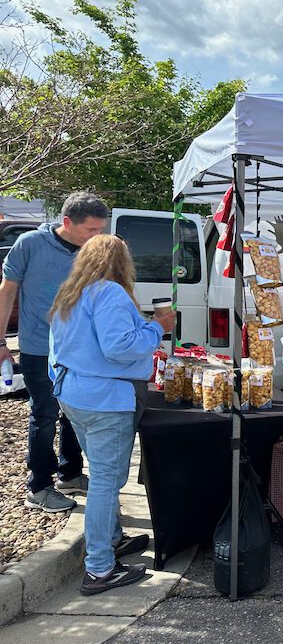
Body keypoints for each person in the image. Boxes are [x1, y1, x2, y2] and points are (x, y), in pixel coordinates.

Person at [49, 234, 175, 595]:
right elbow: (119, 347)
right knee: (106, 481)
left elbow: (61, 347)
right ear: (122, 263)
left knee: (100, 474)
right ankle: (100, 568)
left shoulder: (70, 294)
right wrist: (157, 327)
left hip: (74, 394)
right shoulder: (111, 293)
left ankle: (112, 539)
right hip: (106, 399)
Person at [0, 193, 108, 513]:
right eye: (91, 230)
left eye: (101, 230)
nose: (97, 237)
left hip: (80, 348)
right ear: (67, 223)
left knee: (75, 413)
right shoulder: (31, 244)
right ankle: (39, 487)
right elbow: (7, 291)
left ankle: (70, 473)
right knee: (45, 415)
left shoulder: (93, 253)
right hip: (38, 348)